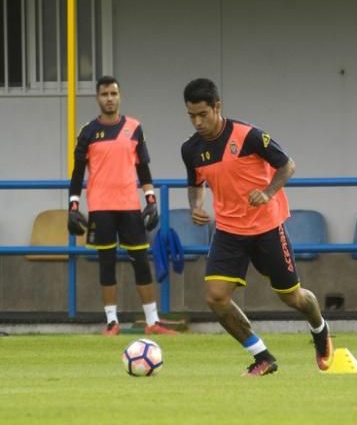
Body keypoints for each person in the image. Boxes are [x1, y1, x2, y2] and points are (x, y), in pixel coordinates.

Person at [181, 77, 333, 376]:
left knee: (293, 297)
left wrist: (268, 192)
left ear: (217, 107)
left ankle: (320, 328)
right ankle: (262, 356)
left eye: (203, 114)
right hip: (228, 231)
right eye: (191, 116)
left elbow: (287, 164)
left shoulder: (248, 135)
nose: (197, 122)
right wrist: (196, 206)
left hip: (267, 227)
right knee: (216, 297)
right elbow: (195, 183)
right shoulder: (191, 149)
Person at [68, 75, 177, 336]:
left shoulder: (134, 127)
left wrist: (151, 200)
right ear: (97, 97)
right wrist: (73, 206)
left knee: (140, 261)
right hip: (101, 207)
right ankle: (111, 322)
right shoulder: (88, 132)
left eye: (113, 94)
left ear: (120, 96)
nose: (109, 98)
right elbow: (77, 173)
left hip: (130, 206)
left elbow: (144, 169)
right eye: (104, 94)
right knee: (106, 263)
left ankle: (152, 322)